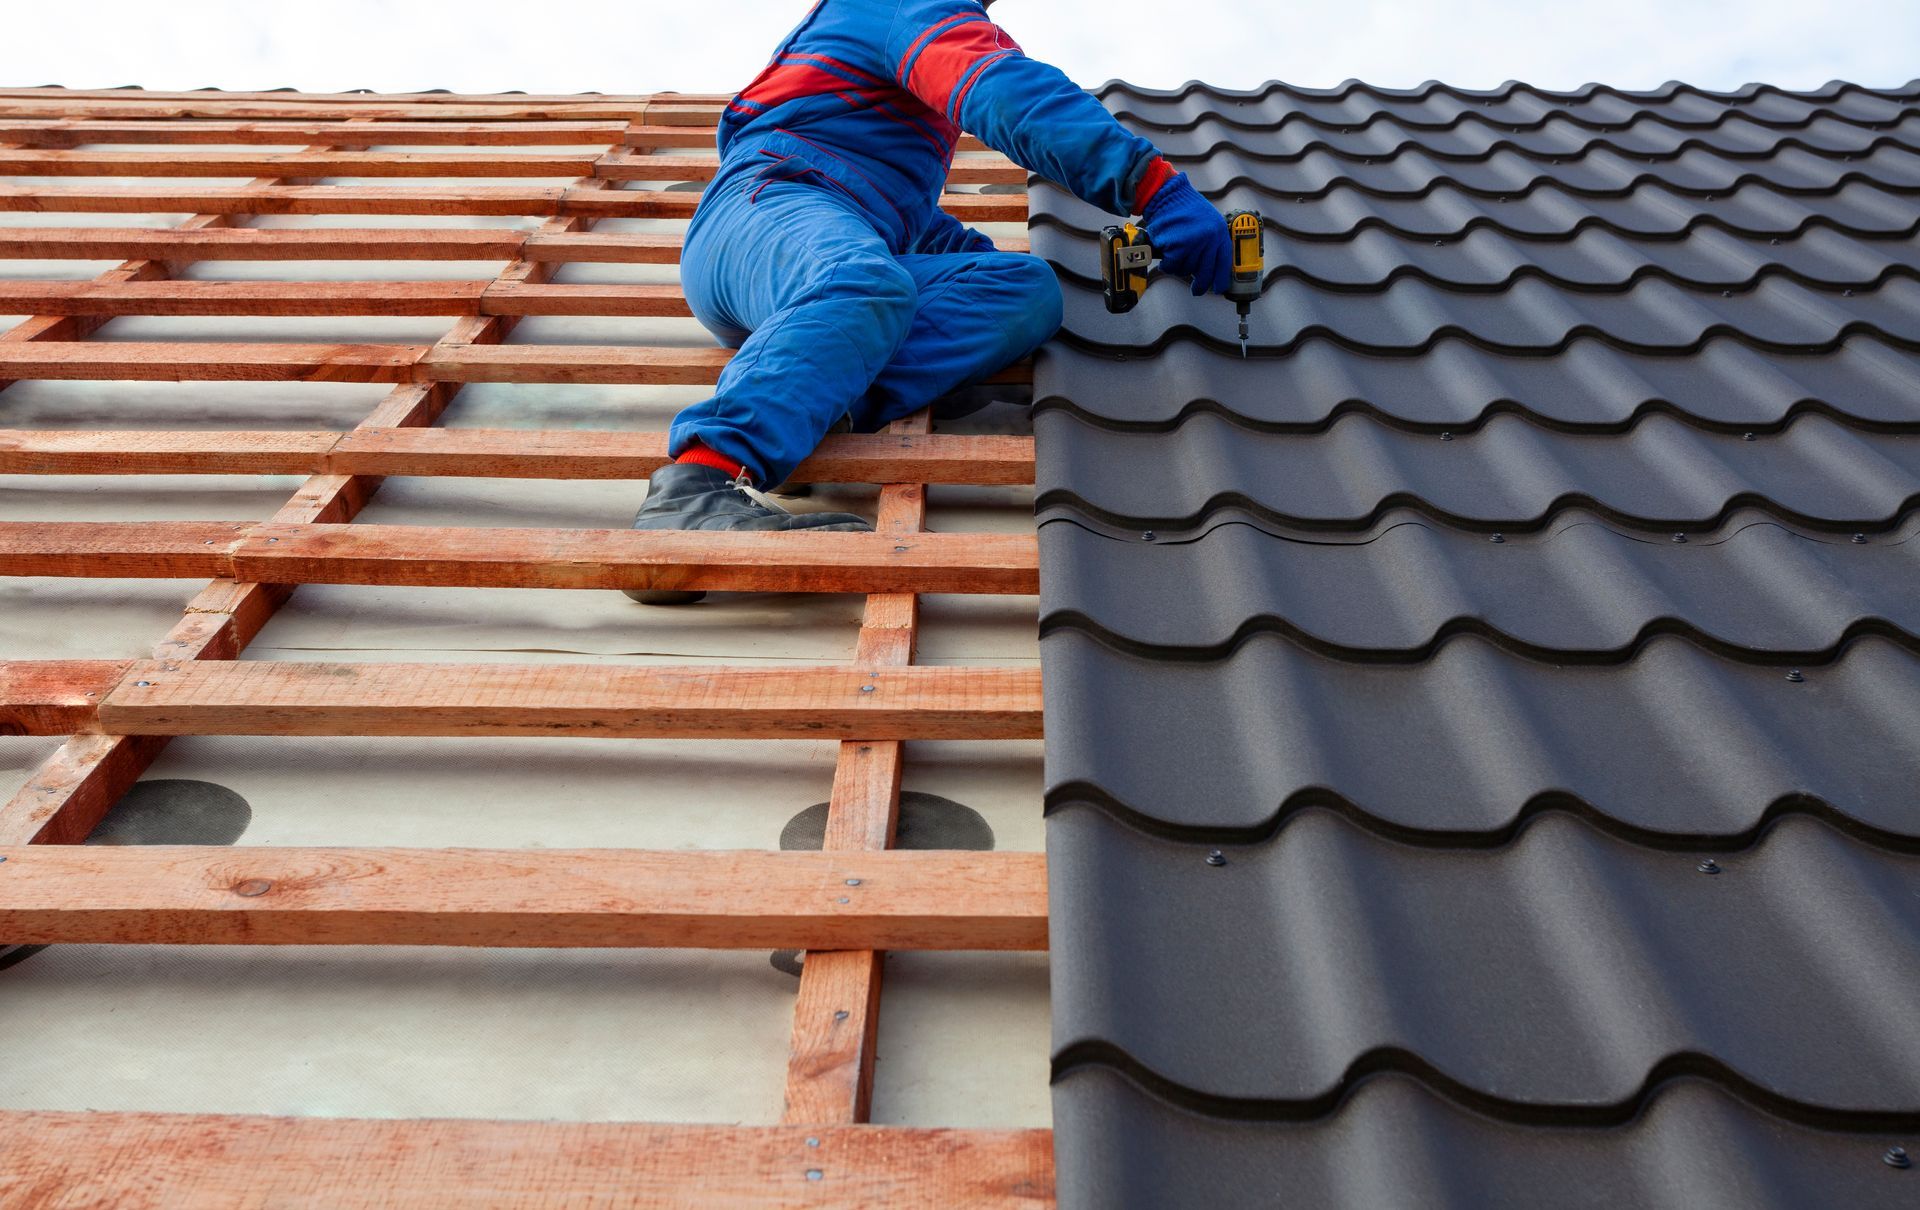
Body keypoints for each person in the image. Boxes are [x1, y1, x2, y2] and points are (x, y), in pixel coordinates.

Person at [629, 0, 1233, 603]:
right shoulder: (898, 4)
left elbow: (908, 220)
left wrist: (985, 273)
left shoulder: (889, 114)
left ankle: (817, 395)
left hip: (841, 228)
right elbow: (1003, 91)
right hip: (766, 207)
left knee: (1026, 289)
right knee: (863, 282)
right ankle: (696, 484)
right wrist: (1153, 186)